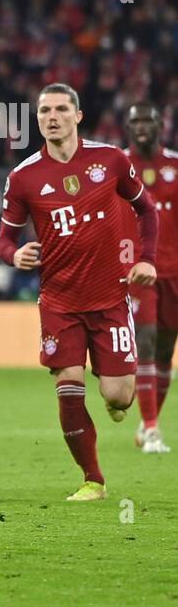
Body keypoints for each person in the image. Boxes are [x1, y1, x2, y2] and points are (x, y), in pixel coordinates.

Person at [0, 85, 158, 500]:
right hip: (59, 303)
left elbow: (147, 210)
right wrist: (15, 256)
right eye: (44, 110)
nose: (52, 116)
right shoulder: (24, 177)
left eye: (61, 109)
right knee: (68, 386)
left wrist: (147, 260)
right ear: (37, 119)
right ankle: (93, 480)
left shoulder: (110, 160)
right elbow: (3, 241)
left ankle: (115, 400)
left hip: (109, 301)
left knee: (119, 397)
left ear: (78, 115)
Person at [121, 100, 177, 453]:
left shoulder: (175, 165)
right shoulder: (119, 166)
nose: (142, 126)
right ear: (128, 127)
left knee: (165, 350)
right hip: (139, 270)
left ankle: (147, 421)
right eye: (135, 121)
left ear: (160, 125)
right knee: (145, 339)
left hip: (174, 270)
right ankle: (154, 429)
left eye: (148, 120)